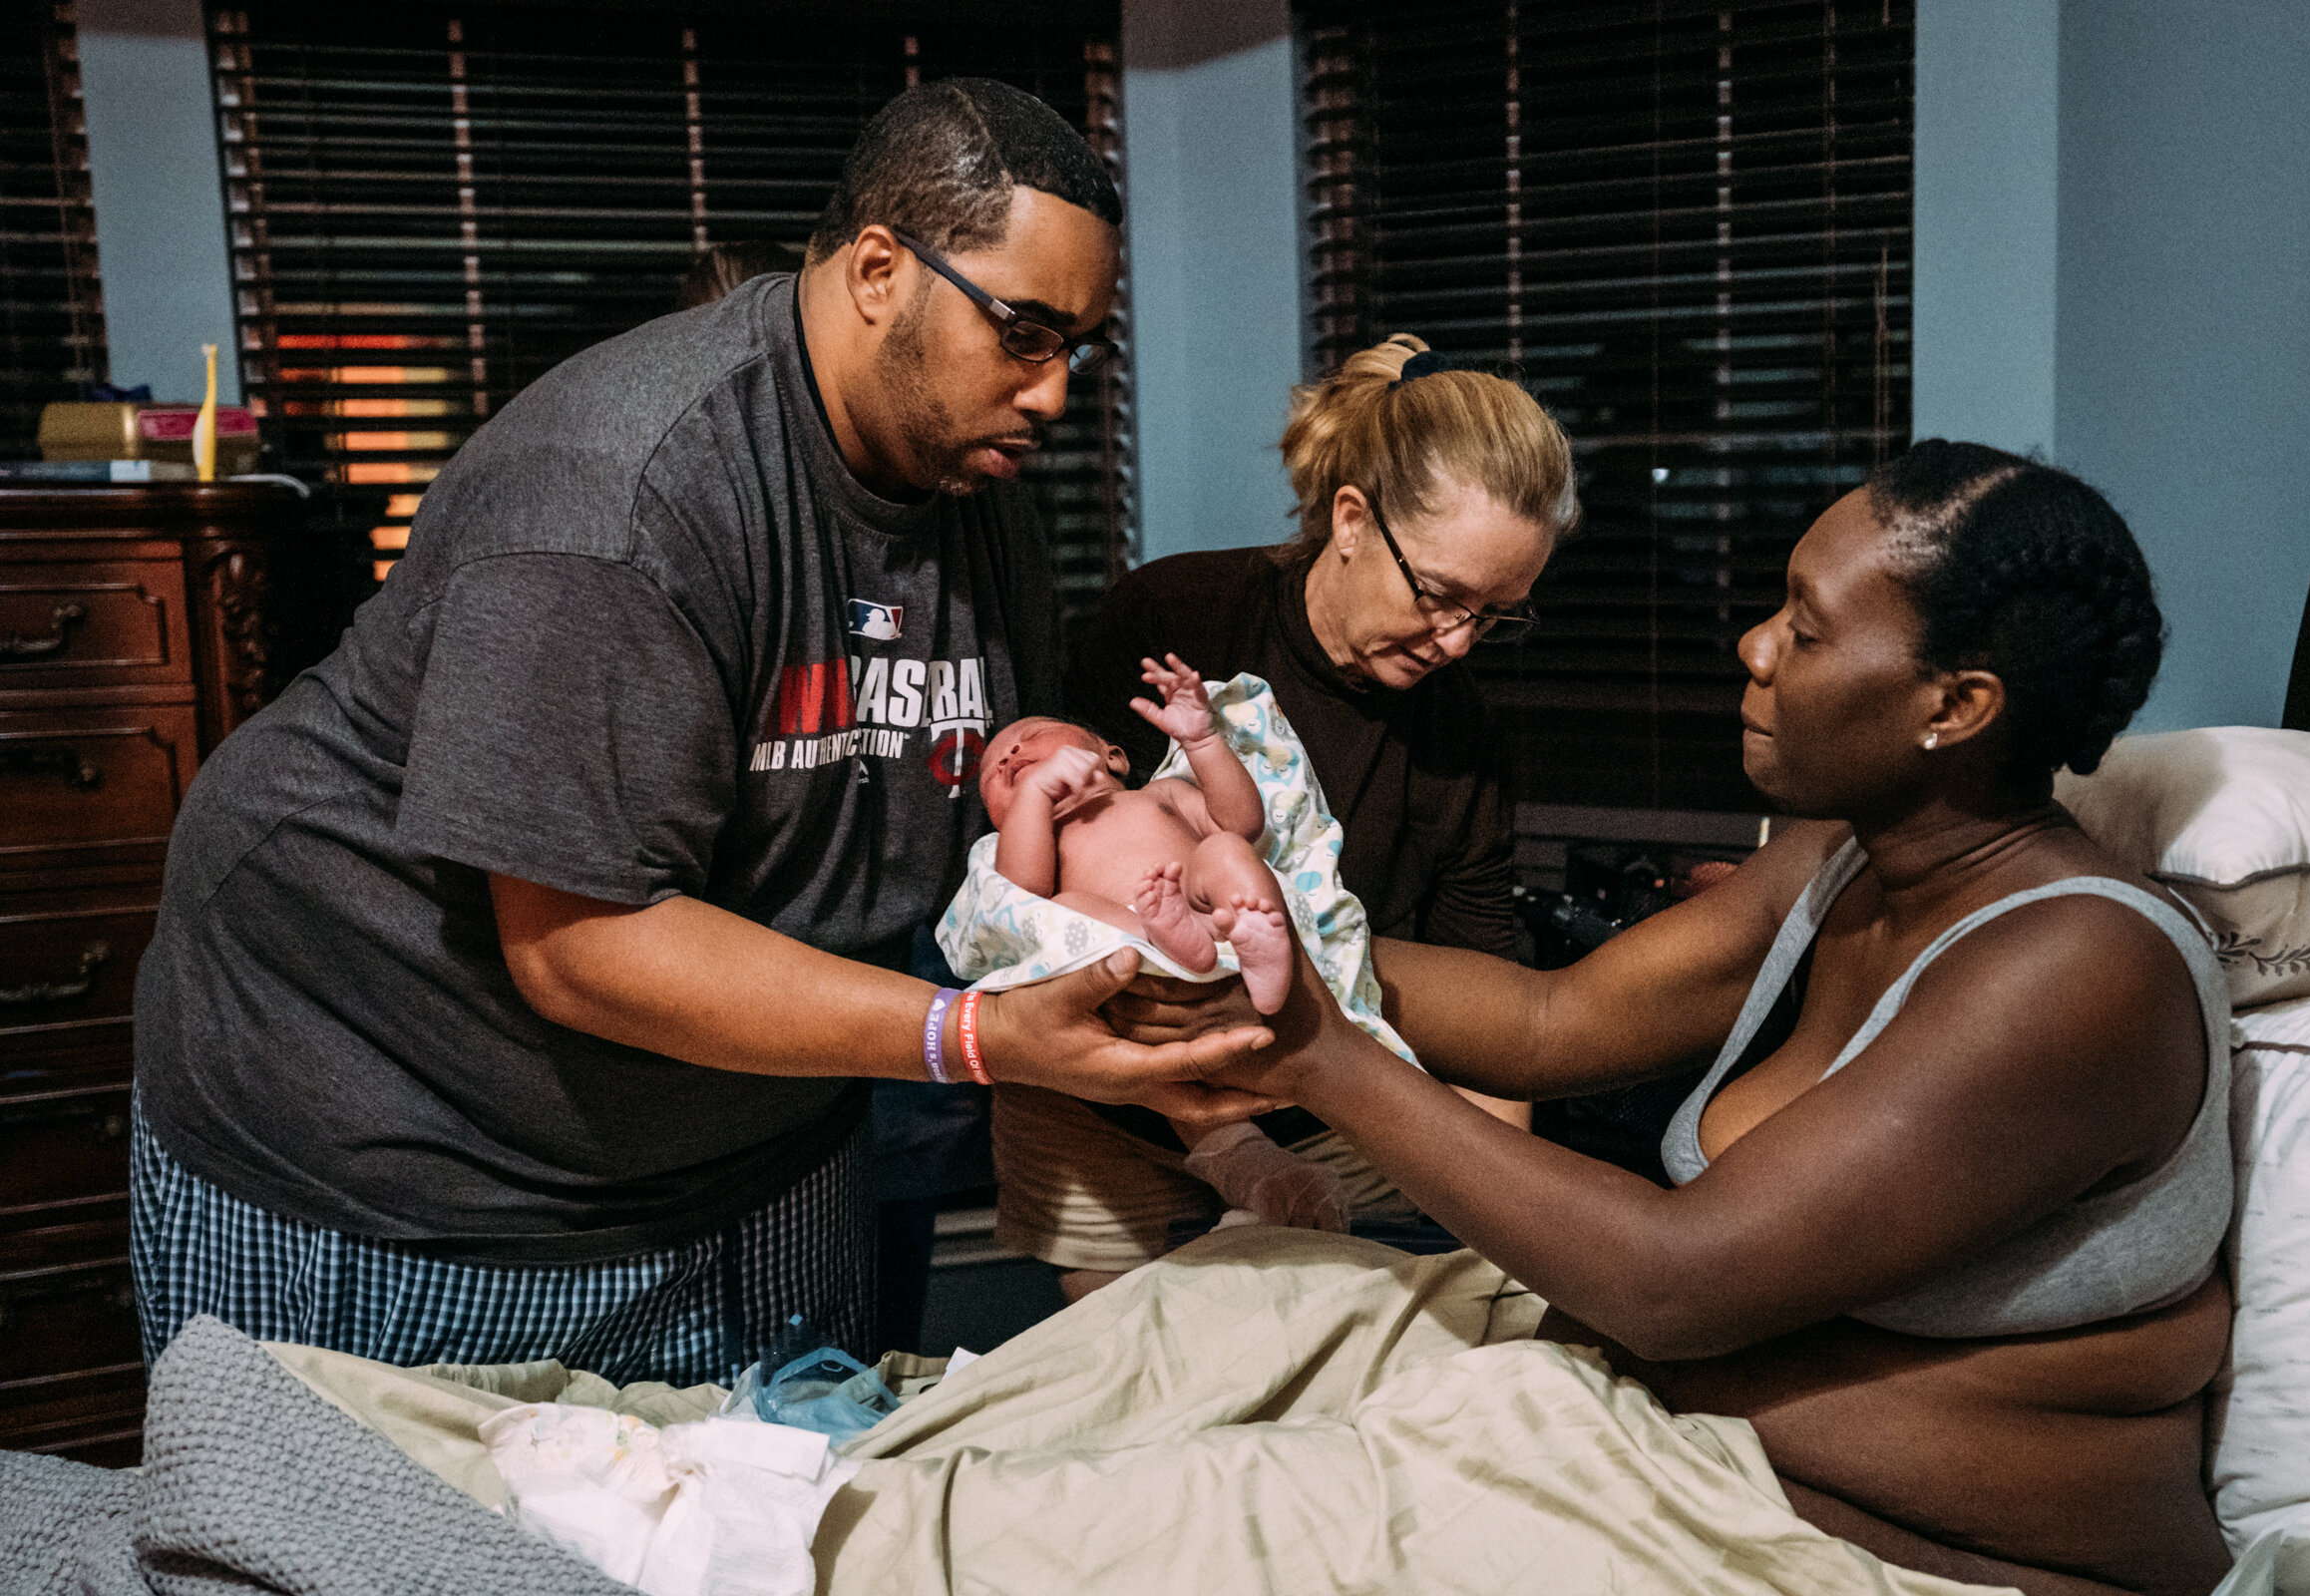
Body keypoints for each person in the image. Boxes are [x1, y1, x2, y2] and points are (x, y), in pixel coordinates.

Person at [128, 78, 1271, 1387]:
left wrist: (1190, 933)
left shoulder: (978, 499)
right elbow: (582, 948)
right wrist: (970, 1037)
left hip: (752, 1151)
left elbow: (983, 801)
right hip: (395, 1141)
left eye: (1082, 348)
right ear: (881, 270)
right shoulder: (620, 491)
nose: (1057, 394)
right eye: (1024, 332)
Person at [1117, 441, 2230, 1594]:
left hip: (1927, 1568)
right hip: (1682, 1465)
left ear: (1954, 704)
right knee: (1165, 1364)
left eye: (1804, 629)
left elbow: (1672, 1282)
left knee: (1139, 1537)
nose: (1753, 647)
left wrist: (1316, 1052)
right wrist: (1262, 960)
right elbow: (1551, 1020)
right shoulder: (1846, 857)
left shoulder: (2076, 966)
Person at [993, 334, 1578, 1296]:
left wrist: (1516, 1248)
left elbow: (1492, 1011)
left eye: (1497, 614)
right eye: (1440, 596)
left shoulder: (1458, 739)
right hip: (1100, 1103)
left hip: (1330, 1120)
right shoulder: (1178, 620)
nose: (1460, 642)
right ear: (1351, 518)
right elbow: (1031, 886)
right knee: (1138, 1399)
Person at [982, 660, 1293, 1014]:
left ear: (1111, 757)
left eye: (1033, 736)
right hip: (1131, 940)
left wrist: (1201, 740)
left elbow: (1242, 824)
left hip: (1211, 908)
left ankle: (1263, 959)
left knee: (1226, 848)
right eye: (992, 774)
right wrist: (1035, 792)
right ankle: (1169, 938)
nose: (1009, 756)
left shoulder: (1162, 793)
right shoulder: (1042, 844)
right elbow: (1023, 896)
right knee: (1063, 907)